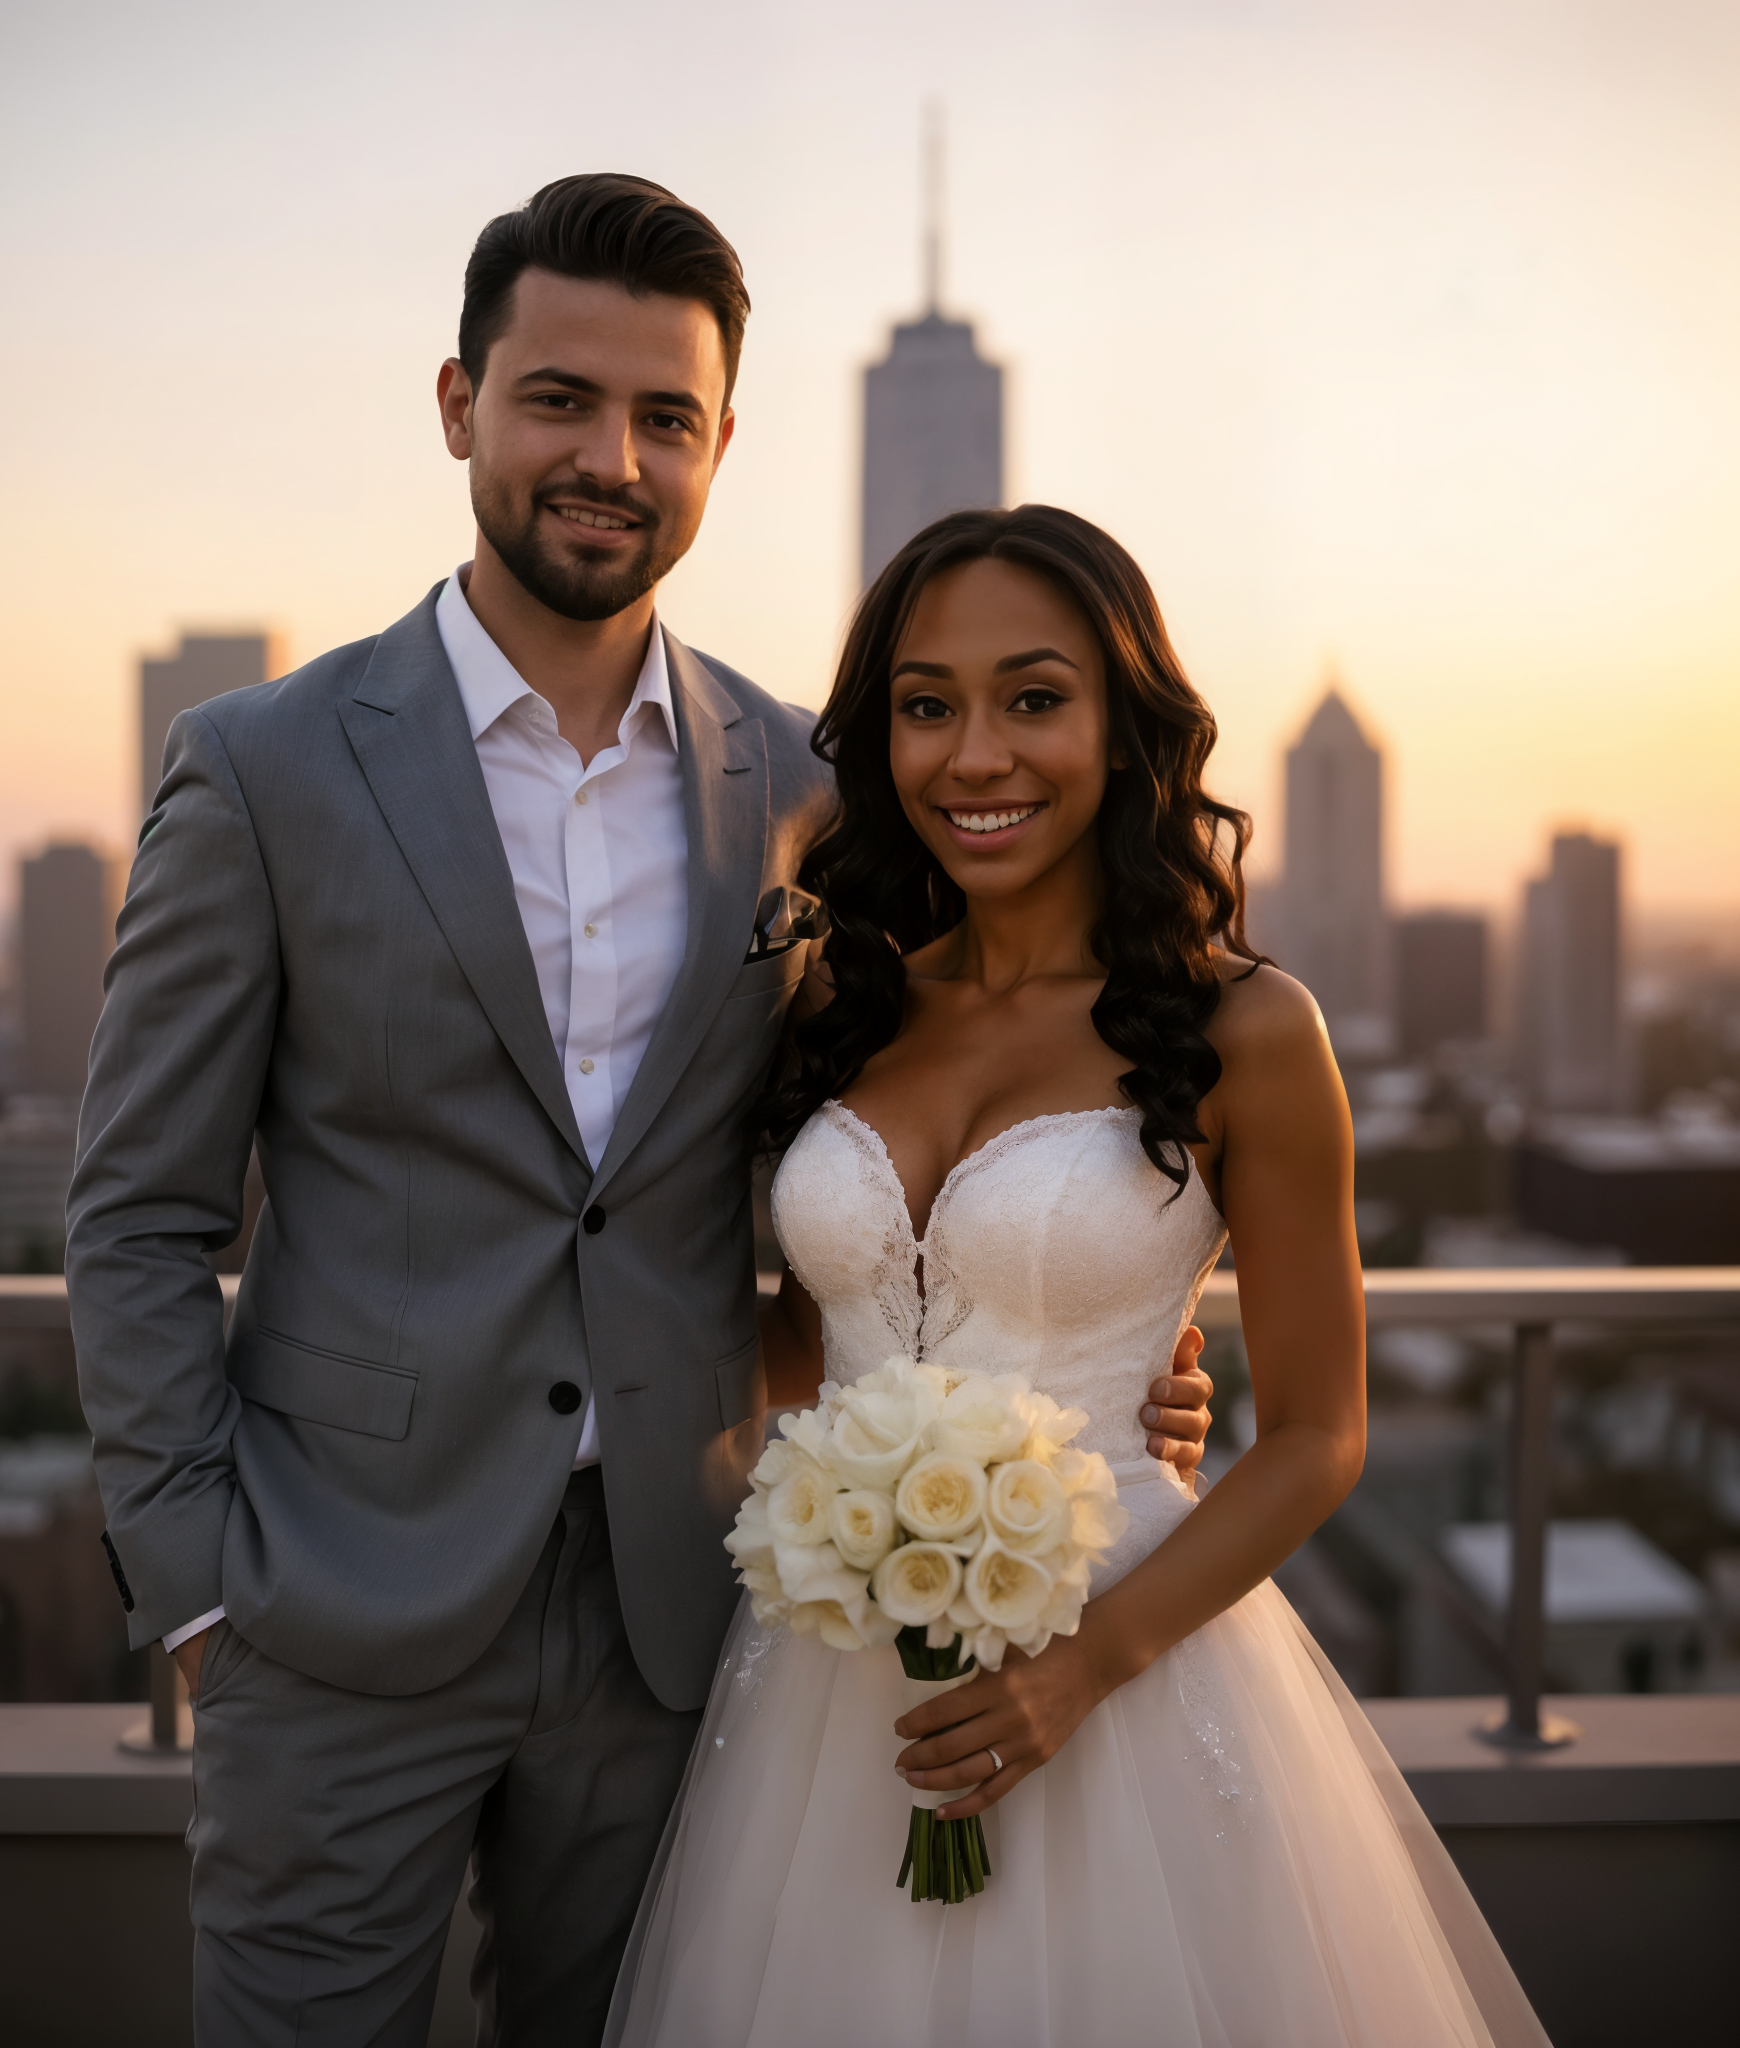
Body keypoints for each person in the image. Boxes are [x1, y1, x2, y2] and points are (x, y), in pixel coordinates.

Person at [65, 175, 1213, 2047]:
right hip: (332, 1604)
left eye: (663, 417)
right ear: (460, 406)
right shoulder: (262, 768)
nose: (610, 457)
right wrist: (201, 1594)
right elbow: (135, 1221)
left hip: (696, 1618)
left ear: (721, 445)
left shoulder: (809, 785)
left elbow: (968, 1110)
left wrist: (1115, 1343)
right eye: (558, 401)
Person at [605, 504, 1551, 2047]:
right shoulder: (836, 1004)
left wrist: (1083, 1663)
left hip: (1117, 1672)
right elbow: (800, 1340)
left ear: (1125, 727)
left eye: (1034, 698)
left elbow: (1322, 1436)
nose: (977, 755)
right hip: (828, 1681)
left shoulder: (1251, 1030)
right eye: (927, 707)